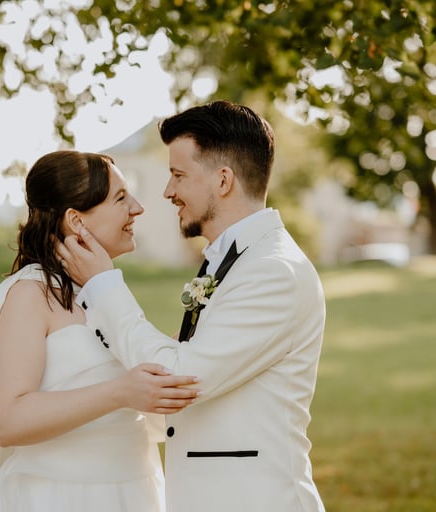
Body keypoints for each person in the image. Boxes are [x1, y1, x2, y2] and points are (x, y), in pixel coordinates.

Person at [57, 101, 327, 512]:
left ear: (223, 180)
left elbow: (179, 378)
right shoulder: (233, 261)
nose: (168, 191)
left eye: (178, 175)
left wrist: (103, 285)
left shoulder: (273, 272)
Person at [0, 150, 200, 512]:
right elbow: (6, 421)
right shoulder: (31, 294)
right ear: (76, 220)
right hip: (58, 497)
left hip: (134, 493)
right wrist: (119, 392)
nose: (138, 208)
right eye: (120, 198)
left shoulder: (104, 294)